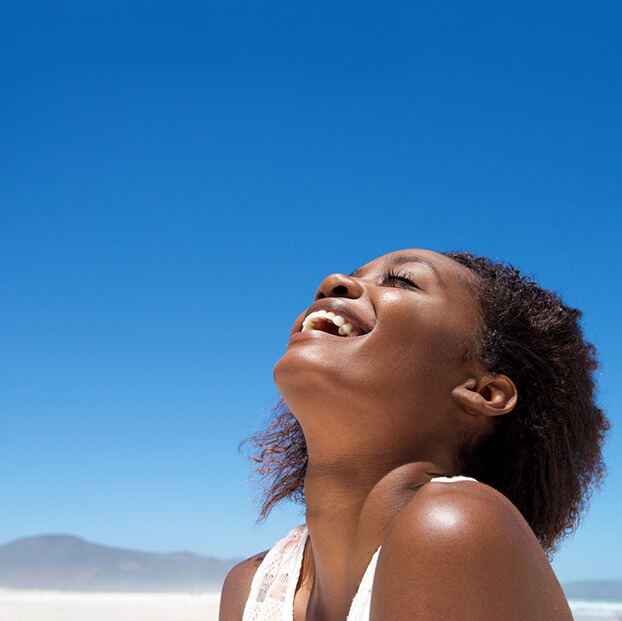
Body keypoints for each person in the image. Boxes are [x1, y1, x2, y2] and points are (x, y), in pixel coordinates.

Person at [219, 249, 609, 621]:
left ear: (483, 392)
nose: (331, 282)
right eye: (352, 276)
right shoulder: (253, 585)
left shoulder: (452, 526)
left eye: (402, 281)